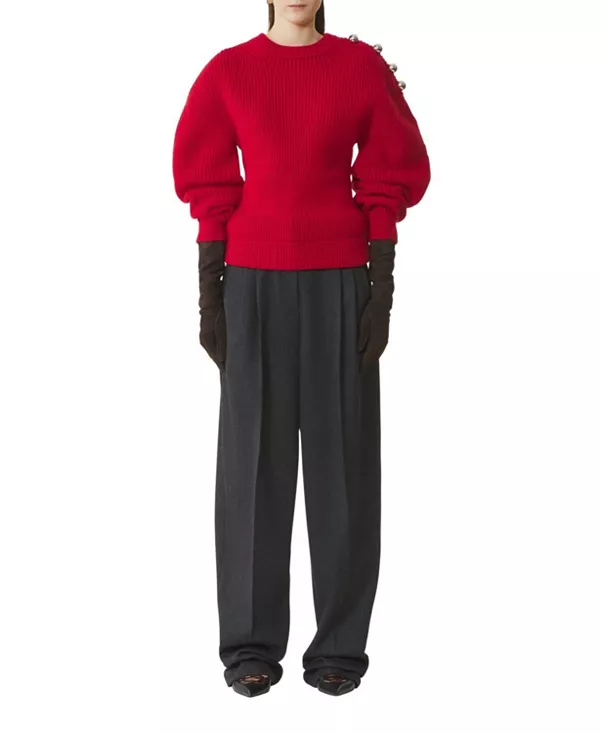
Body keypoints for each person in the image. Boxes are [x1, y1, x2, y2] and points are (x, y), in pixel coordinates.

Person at [172, 0, 431, 698]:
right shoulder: (228, 72)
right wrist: (210, 289)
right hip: (251, 280)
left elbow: (391, 166)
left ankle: (339, 646)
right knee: (251, 466)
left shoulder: (360, 67)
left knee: (343, 462)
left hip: (340, 277)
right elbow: (209, 181)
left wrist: (381, 281)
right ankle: (250, 645)